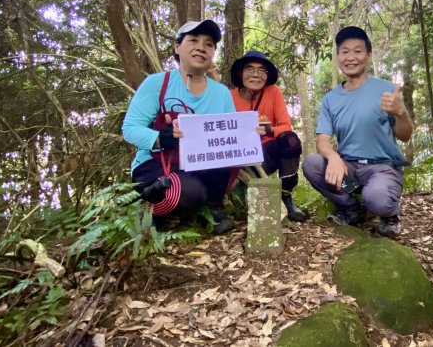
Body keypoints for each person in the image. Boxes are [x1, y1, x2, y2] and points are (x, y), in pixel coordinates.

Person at [122, 20, 237, 234]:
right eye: (193, 40)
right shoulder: (157, 83)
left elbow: (231, 136)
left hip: (198, 165)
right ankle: (154, 207)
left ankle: (212, 211)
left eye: (209, 44)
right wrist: (158, 138)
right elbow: (130, 128)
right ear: (177, 47)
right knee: (188, 191)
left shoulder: (221, 93)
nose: (201, 47)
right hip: (155, 164)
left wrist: (249, 134)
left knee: (224, 161)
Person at [302, 26, 413, 237]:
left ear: (368, 55)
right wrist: (333, 157)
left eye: (358, 51)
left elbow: (405, 136)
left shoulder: (386, 89)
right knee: (312, 164)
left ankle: (388, 213)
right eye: (344, 51)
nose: (351, 57)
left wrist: (401, 113)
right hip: (349, 173)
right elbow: (322, 140)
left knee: (377, 199)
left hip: (382, 169)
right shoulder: (331, 99)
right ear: (337, 57)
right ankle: (352, 207)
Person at [229, 50, 308, 222]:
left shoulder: (273, 92)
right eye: (249, 69)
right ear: (240, 73)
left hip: (266, 155)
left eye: (261, 70)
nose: (255, 74)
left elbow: (286, 126)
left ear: (266, 75)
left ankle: (286, 196)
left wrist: (269, 130)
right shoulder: (229, 96)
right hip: (239, 160)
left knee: (290, 140)